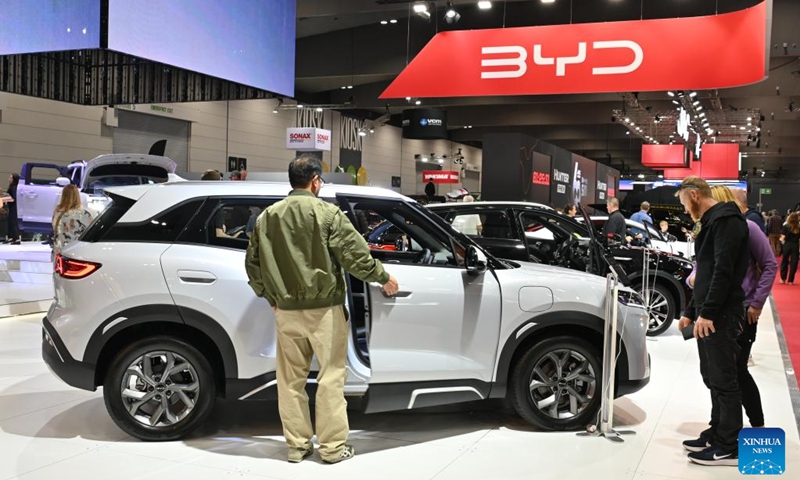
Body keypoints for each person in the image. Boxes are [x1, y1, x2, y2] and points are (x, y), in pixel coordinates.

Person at [245, 155, 399, 464]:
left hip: (286, 311)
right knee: (330, 379)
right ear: (315, 181)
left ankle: (297, 446)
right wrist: (384, 277)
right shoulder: (329, 214)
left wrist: (271, 298)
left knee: (289, 382)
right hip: (325, 311)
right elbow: (355, 257)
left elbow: (253, 265)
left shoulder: (267, 218)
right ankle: (332, 448)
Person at [675, 176, 749, 466]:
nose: (683, 209)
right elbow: (704, 273)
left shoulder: (727, 222)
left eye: (683, 202)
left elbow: (723, 272)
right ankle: (718, 431)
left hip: (721, 315)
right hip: (708, 313)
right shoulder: (712, 222)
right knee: (712, 377)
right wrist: (692, 311)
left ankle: (729, 445)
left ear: (694, 195)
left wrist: (707, 313)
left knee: (724, 380)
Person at [710, 186, 776, 430]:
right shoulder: (719, 228)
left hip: (744, 308)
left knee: (737, 370)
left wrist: (757, 303)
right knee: (721, 372)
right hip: (723, 309)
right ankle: (723, 425)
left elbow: (769, 265)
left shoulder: (749, 228)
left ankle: (756, 425)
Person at [51, 185, 93, 258]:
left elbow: (55, 227)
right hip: (77, 250)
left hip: (60, 249)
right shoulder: (84, 213)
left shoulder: (58, 211)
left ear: (63, 195)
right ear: (77, 195)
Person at [779, 212, 800, 285]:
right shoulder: (798, 227)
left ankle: (783, 278)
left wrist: (781, 241)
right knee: (794, 263)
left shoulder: (786, 226)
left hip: (787, 245)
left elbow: (782, 238)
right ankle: (790, 280)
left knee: (784, 261)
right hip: (795, 245)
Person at [5, 174, 20, 245]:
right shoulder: (12, 187)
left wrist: (4, 197)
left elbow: (13, 198)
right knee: (10, 222)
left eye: (11, 178)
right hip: (11, 207)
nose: (9, 179)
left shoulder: (13, 187)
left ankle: (16, 239)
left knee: (13, 222)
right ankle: (11, 237)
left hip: (14, 207)